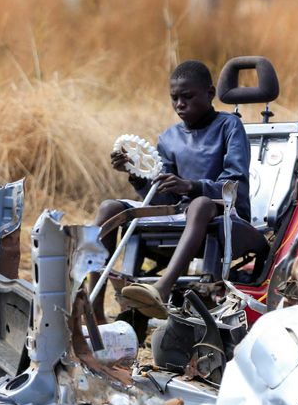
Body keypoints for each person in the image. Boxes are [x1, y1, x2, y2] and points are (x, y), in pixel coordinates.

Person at [90, 60, 251, 321]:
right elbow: (164, 199)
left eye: (187, 97)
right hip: (180, 216)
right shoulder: (168, 138)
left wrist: (192, 185)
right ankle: (93, 306)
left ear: (210, 94)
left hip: (225, 217)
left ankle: (161, 288)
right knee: (109, 208)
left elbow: (236, 184)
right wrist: (136, 174)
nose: (180, 104)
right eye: (174, 98)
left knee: (199, 204)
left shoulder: (229, 127)